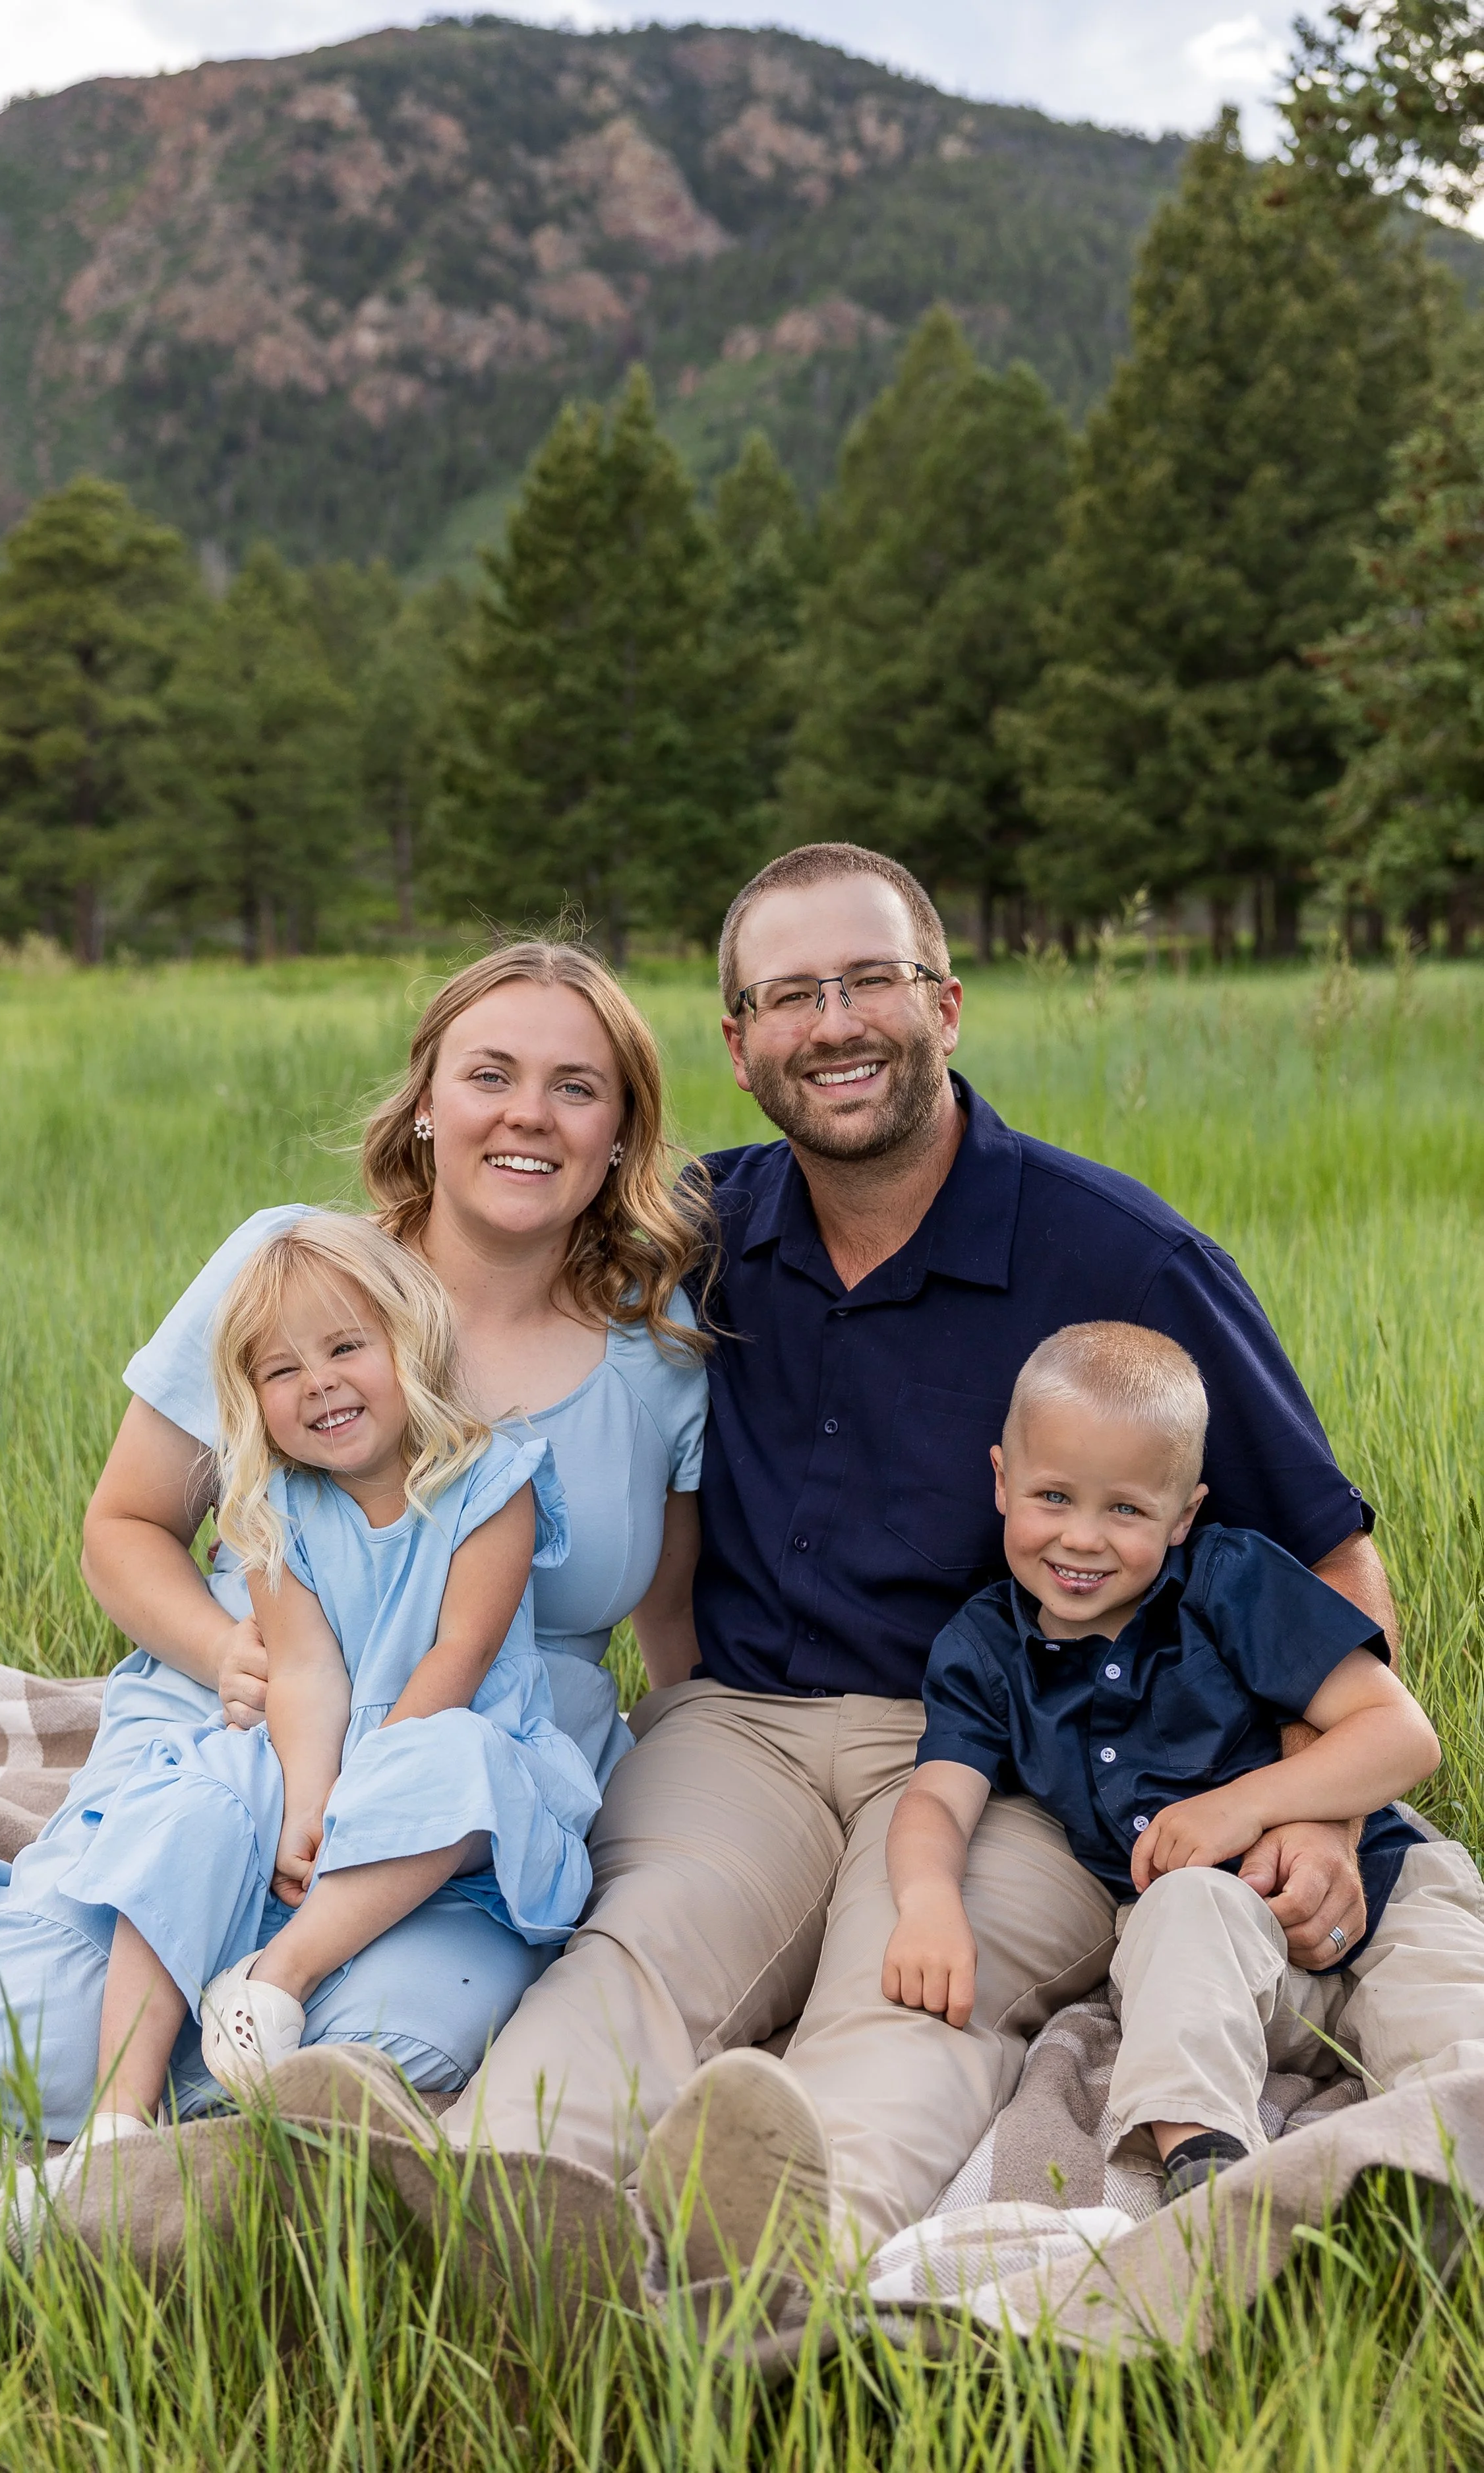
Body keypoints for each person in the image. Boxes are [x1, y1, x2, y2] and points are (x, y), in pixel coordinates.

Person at [421, 841, 1402, 2283]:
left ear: (943, 1004)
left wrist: (1316, 1815)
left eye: (869, 980)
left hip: (1012, 1749)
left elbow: (1332, 1559)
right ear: (740, 1044)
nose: (833, 1023)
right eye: (789, 994)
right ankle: (490, 2212)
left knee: (920, 1987)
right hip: (742, 1724)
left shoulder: (1124, 1260)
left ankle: (783, 2255)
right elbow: (472, 1251)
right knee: (645, 1936)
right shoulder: (694, 1233)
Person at [0, 944, 709, 2136]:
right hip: (244, 1720)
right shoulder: (295, 1269)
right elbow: (126, 1526)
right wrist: (226, 1654)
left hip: (468, 1793)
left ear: (620, 1132)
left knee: (385, 2045)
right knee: (76, 2020)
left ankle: (233, 2043)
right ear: (426, 1103)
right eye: (490, 1074)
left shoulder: (657, 1350)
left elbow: (674, 1620)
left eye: (576, 1086)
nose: (528, 1114)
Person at [883, 1321, 1484, 2205]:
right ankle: (1209, 2171)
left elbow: (1401, 1734)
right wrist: (929, 1900)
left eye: (1125, 1509)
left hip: (1384, 1888)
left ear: (1183, 1514)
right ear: (1002, 1481)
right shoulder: (985, 1650)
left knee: (1449, 2005)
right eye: (1054, 1496)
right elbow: (937, 1798)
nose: (1083, 1538)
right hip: (1213, 1955)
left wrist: (1244, 1805)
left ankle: (1444, 2179)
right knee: (1179, 1914)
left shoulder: (1228, 1582)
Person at [58, 1213, 598, 2170]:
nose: (319, 1383)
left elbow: (460, 1654)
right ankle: (115, 2119)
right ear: (250, 1400)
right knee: (197, 1792)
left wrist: (362, 1804)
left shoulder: (491, 1483)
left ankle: (274, 1980)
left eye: (347, 1348)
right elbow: (306, 1670)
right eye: (282, 1370)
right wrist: (309, 1806)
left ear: (410, 1342)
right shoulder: (274, 1507)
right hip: (326, 1744)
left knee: (454, 1766)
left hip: (448, 1734)